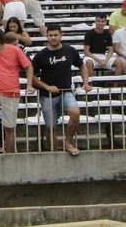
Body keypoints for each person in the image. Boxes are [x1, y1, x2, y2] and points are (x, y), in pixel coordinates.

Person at [29, 24, 85, 155]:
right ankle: (54, 153)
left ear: (61, 35)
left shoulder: (70, 50)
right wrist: (46, 86)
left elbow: (82, 66)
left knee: (75, 113)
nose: (53, 38)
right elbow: (32, 77)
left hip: (66, 90)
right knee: (50, 127)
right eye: (50, 35)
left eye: (55, 35)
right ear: (47, 36)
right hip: (46, 95)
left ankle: (68, 142)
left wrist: (86, 82)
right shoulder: (41, 55)